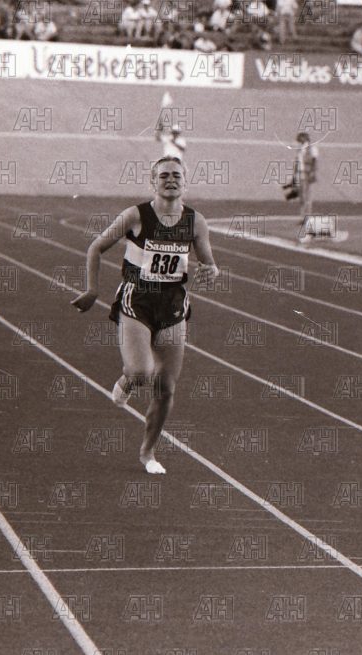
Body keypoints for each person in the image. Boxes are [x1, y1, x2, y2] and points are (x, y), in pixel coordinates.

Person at [70, 156, 220, 473]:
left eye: (176, 175)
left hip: (173, 305)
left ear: (185, 181)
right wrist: (92, 290)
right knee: (140, 372)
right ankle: (128, 381)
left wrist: (212, 270)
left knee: (166, 387)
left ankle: (148, 453)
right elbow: (96, 248)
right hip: (137, 300)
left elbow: (209, 261)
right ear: (153, 182)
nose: (170, 180)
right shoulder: (135, 216)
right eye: (163, 175)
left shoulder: (196, 222)